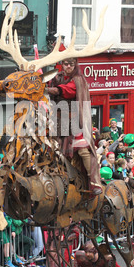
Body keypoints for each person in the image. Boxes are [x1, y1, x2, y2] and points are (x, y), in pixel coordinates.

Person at [46, 57, 102, 196]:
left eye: (71, 64)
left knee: (83, 149)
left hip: (75, 122)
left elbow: (67, 91)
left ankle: (93, 181)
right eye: (66, 64)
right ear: (62, 64)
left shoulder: (78, 80)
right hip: (58, 122)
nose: (69, 66)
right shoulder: (56, 77)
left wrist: (47, 89)